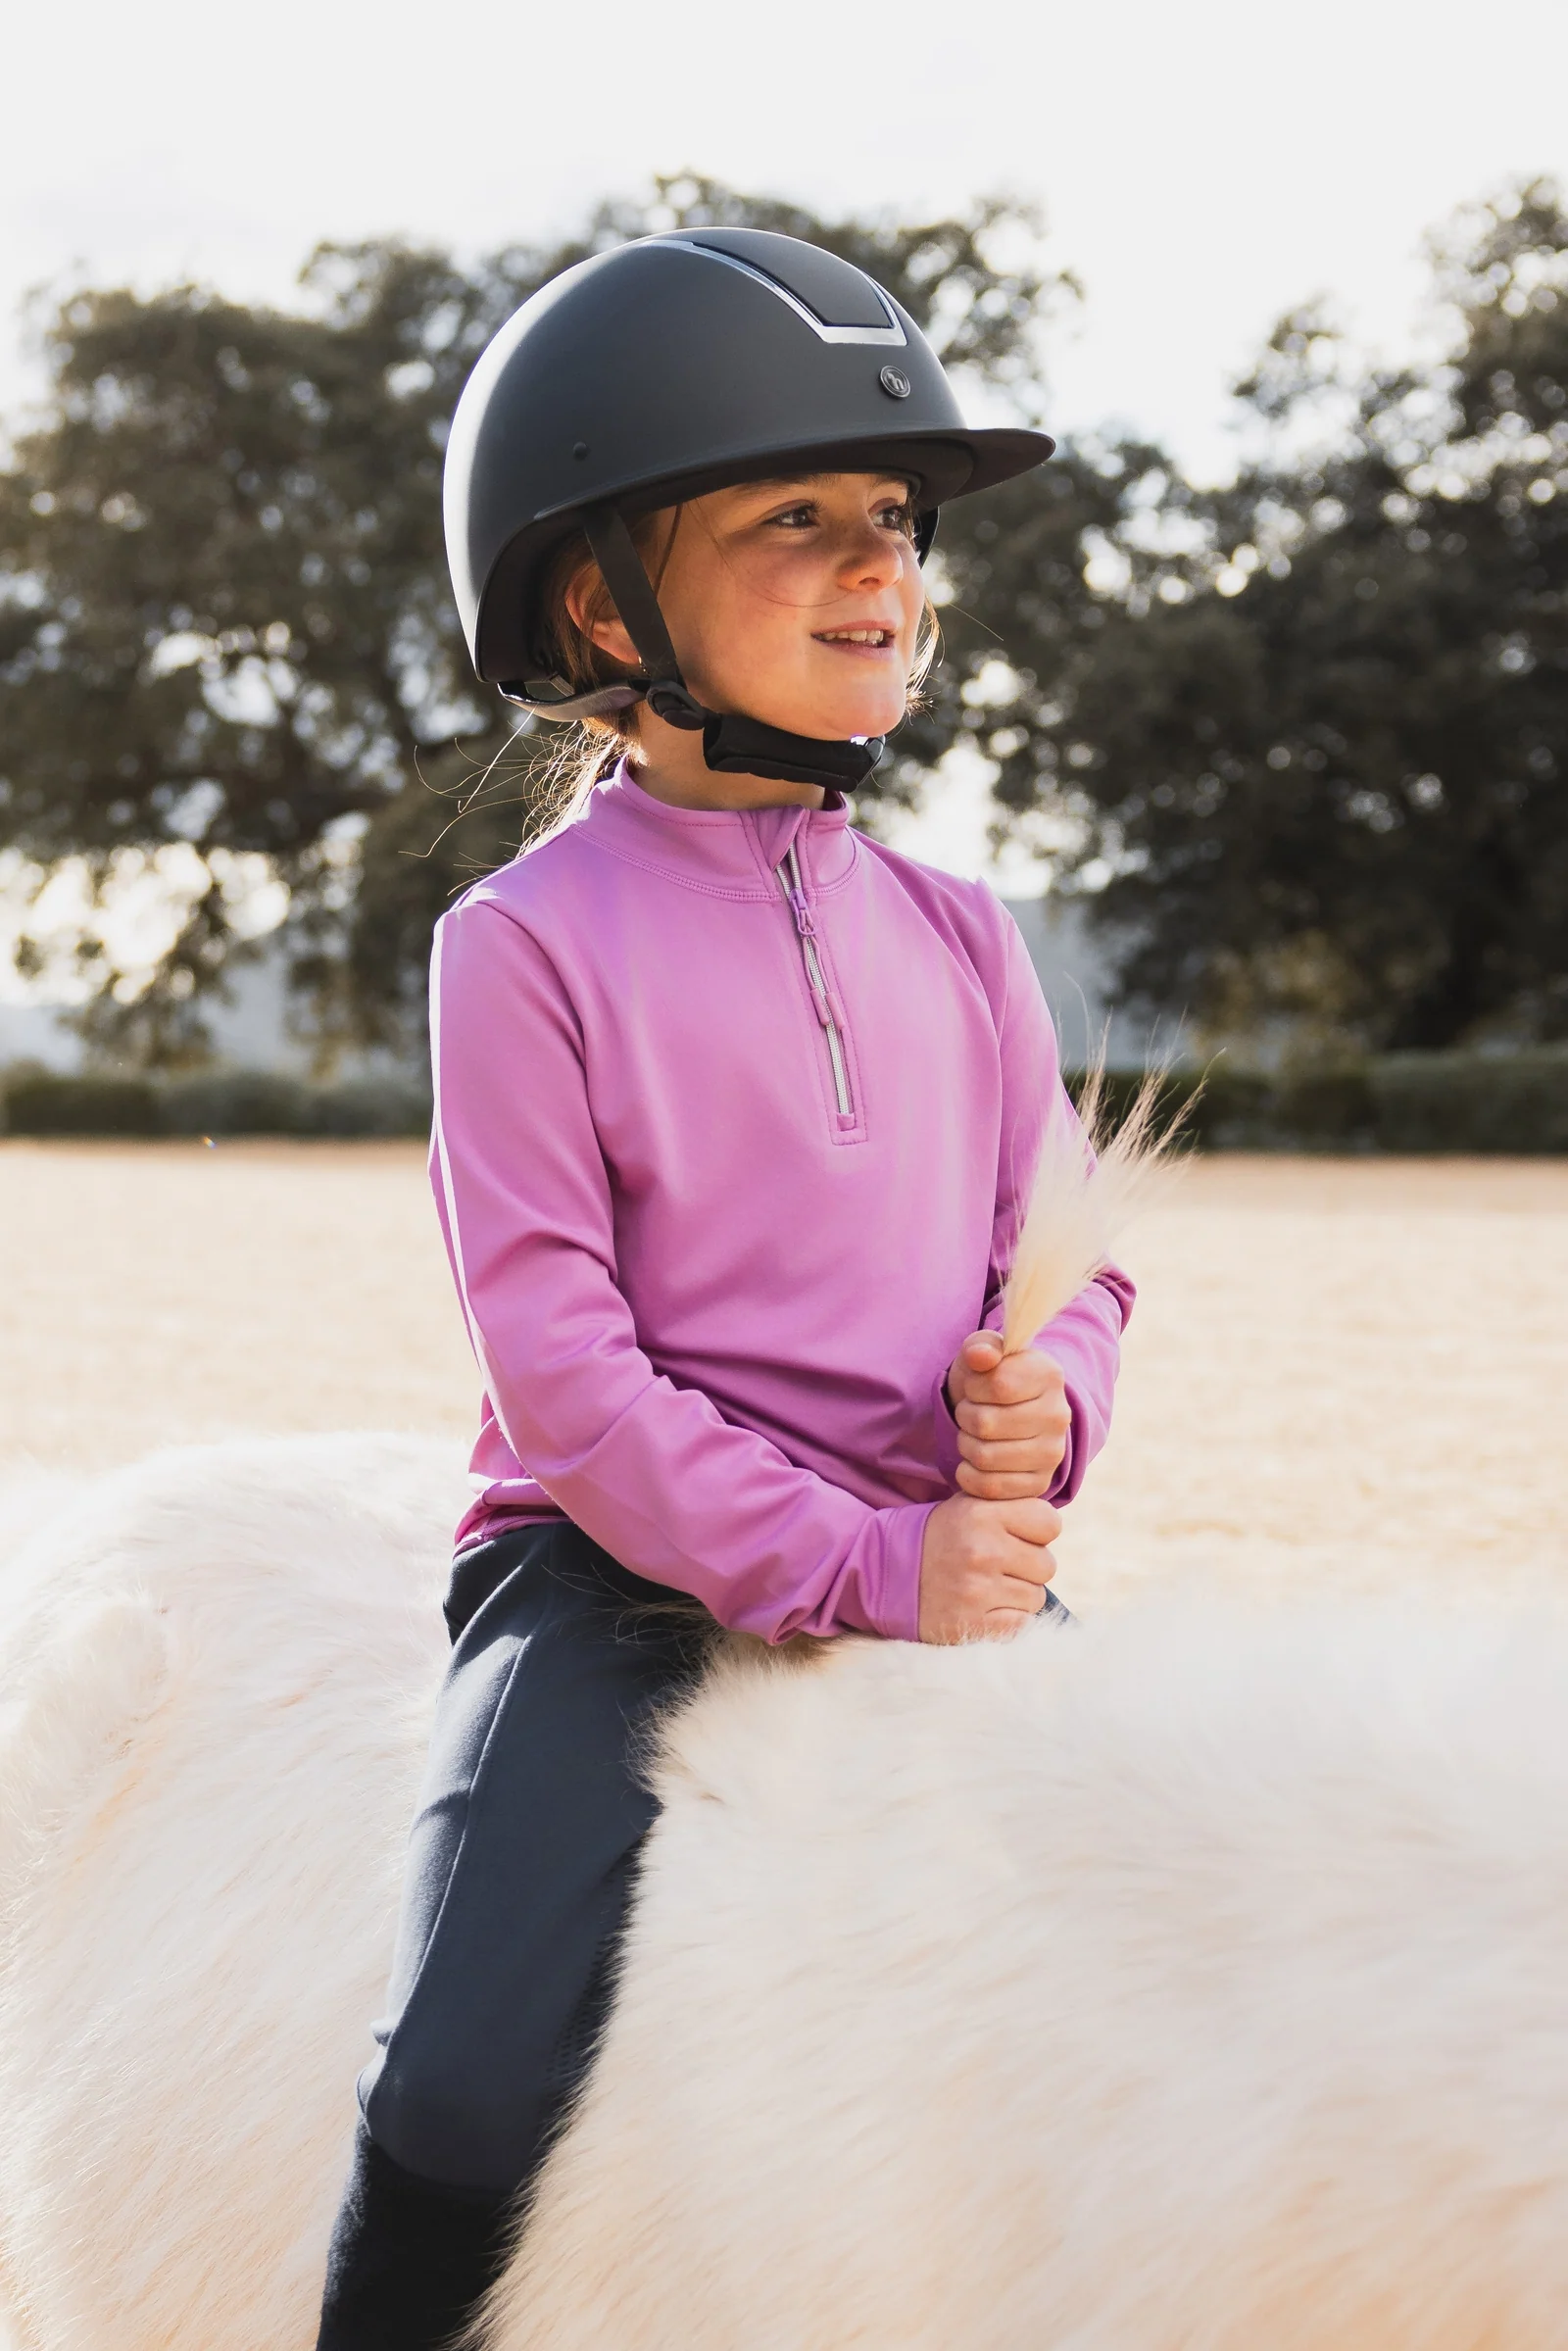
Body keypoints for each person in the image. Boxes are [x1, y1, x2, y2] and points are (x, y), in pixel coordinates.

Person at [315, 225, 1134, 2350]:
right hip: (608, 1578)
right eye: (798, 519)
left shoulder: (961, 934)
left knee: (1181, 1966)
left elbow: (1073, 1260)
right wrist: (873, 1565)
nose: (882, 567)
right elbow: (566, 1382)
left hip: (937, 1546)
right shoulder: (520, 945)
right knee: (461, 2086)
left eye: (897, 519)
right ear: (607, 606)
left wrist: (1050, 1399)